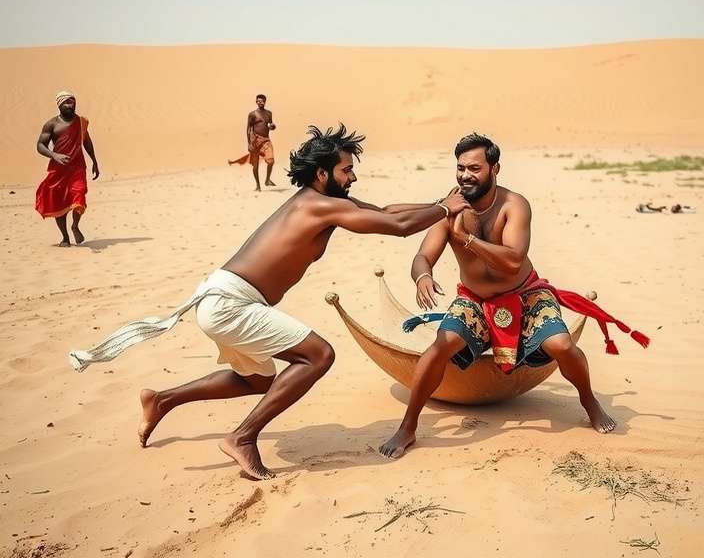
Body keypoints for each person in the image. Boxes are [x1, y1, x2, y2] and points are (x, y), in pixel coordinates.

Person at [69, 124, 468, 479]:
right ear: (322, 173)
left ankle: (162, 400)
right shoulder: (319, 205)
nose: (353, 177)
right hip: (231, 304)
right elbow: (397, 226)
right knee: (318, 356)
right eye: (346, 170)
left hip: (225, 299)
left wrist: (439, 204)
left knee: (257, 380)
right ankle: (242, 437)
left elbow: (386, 212)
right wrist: (442, 210)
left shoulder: (323, 203)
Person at [379, 133, 649, 459]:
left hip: (525, 294)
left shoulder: (514, 205)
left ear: (495, 168)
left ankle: (589, 400)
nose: (465, 175)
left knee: (562, 345)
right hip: (475, 300)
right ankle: (408, 426)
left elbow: (513, 261)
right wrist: (423, 276)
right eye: (461, 168)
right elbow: (423, 256)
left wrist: (466, 239)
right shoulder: (449, 207)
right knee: (440, 346)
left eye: (475, 168)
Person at [35, 91, 100, 246]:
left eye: (72, 102)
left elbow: (87, 141)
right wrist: (54, 155)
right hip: (58, 170)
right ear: (59, 105)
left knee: (79, 195)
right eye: (67, 103)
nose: (71, 105)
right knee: (60, 203)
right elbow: (40, 145)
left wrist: (94, 161)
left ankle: (75, 226)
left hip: (77, 168)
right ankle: (65, 237)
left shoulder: (81, 122)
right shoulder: (51, 124)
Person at [229, 94, 276, 190]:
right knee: (255, 165)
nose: (259, 102)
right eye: (258, 101)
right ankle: (258, 186)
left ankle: (267, 180)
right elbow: (248, 128)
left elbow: (270, 125)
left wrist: (273, 126)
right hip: (255, 141)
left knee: (271, 161)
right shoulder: (252, 114)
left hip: (266, 140)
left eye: (261, 101)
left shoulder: (269, 113)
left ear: (265, 101)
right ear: (256, 102)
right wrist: (249, 143)